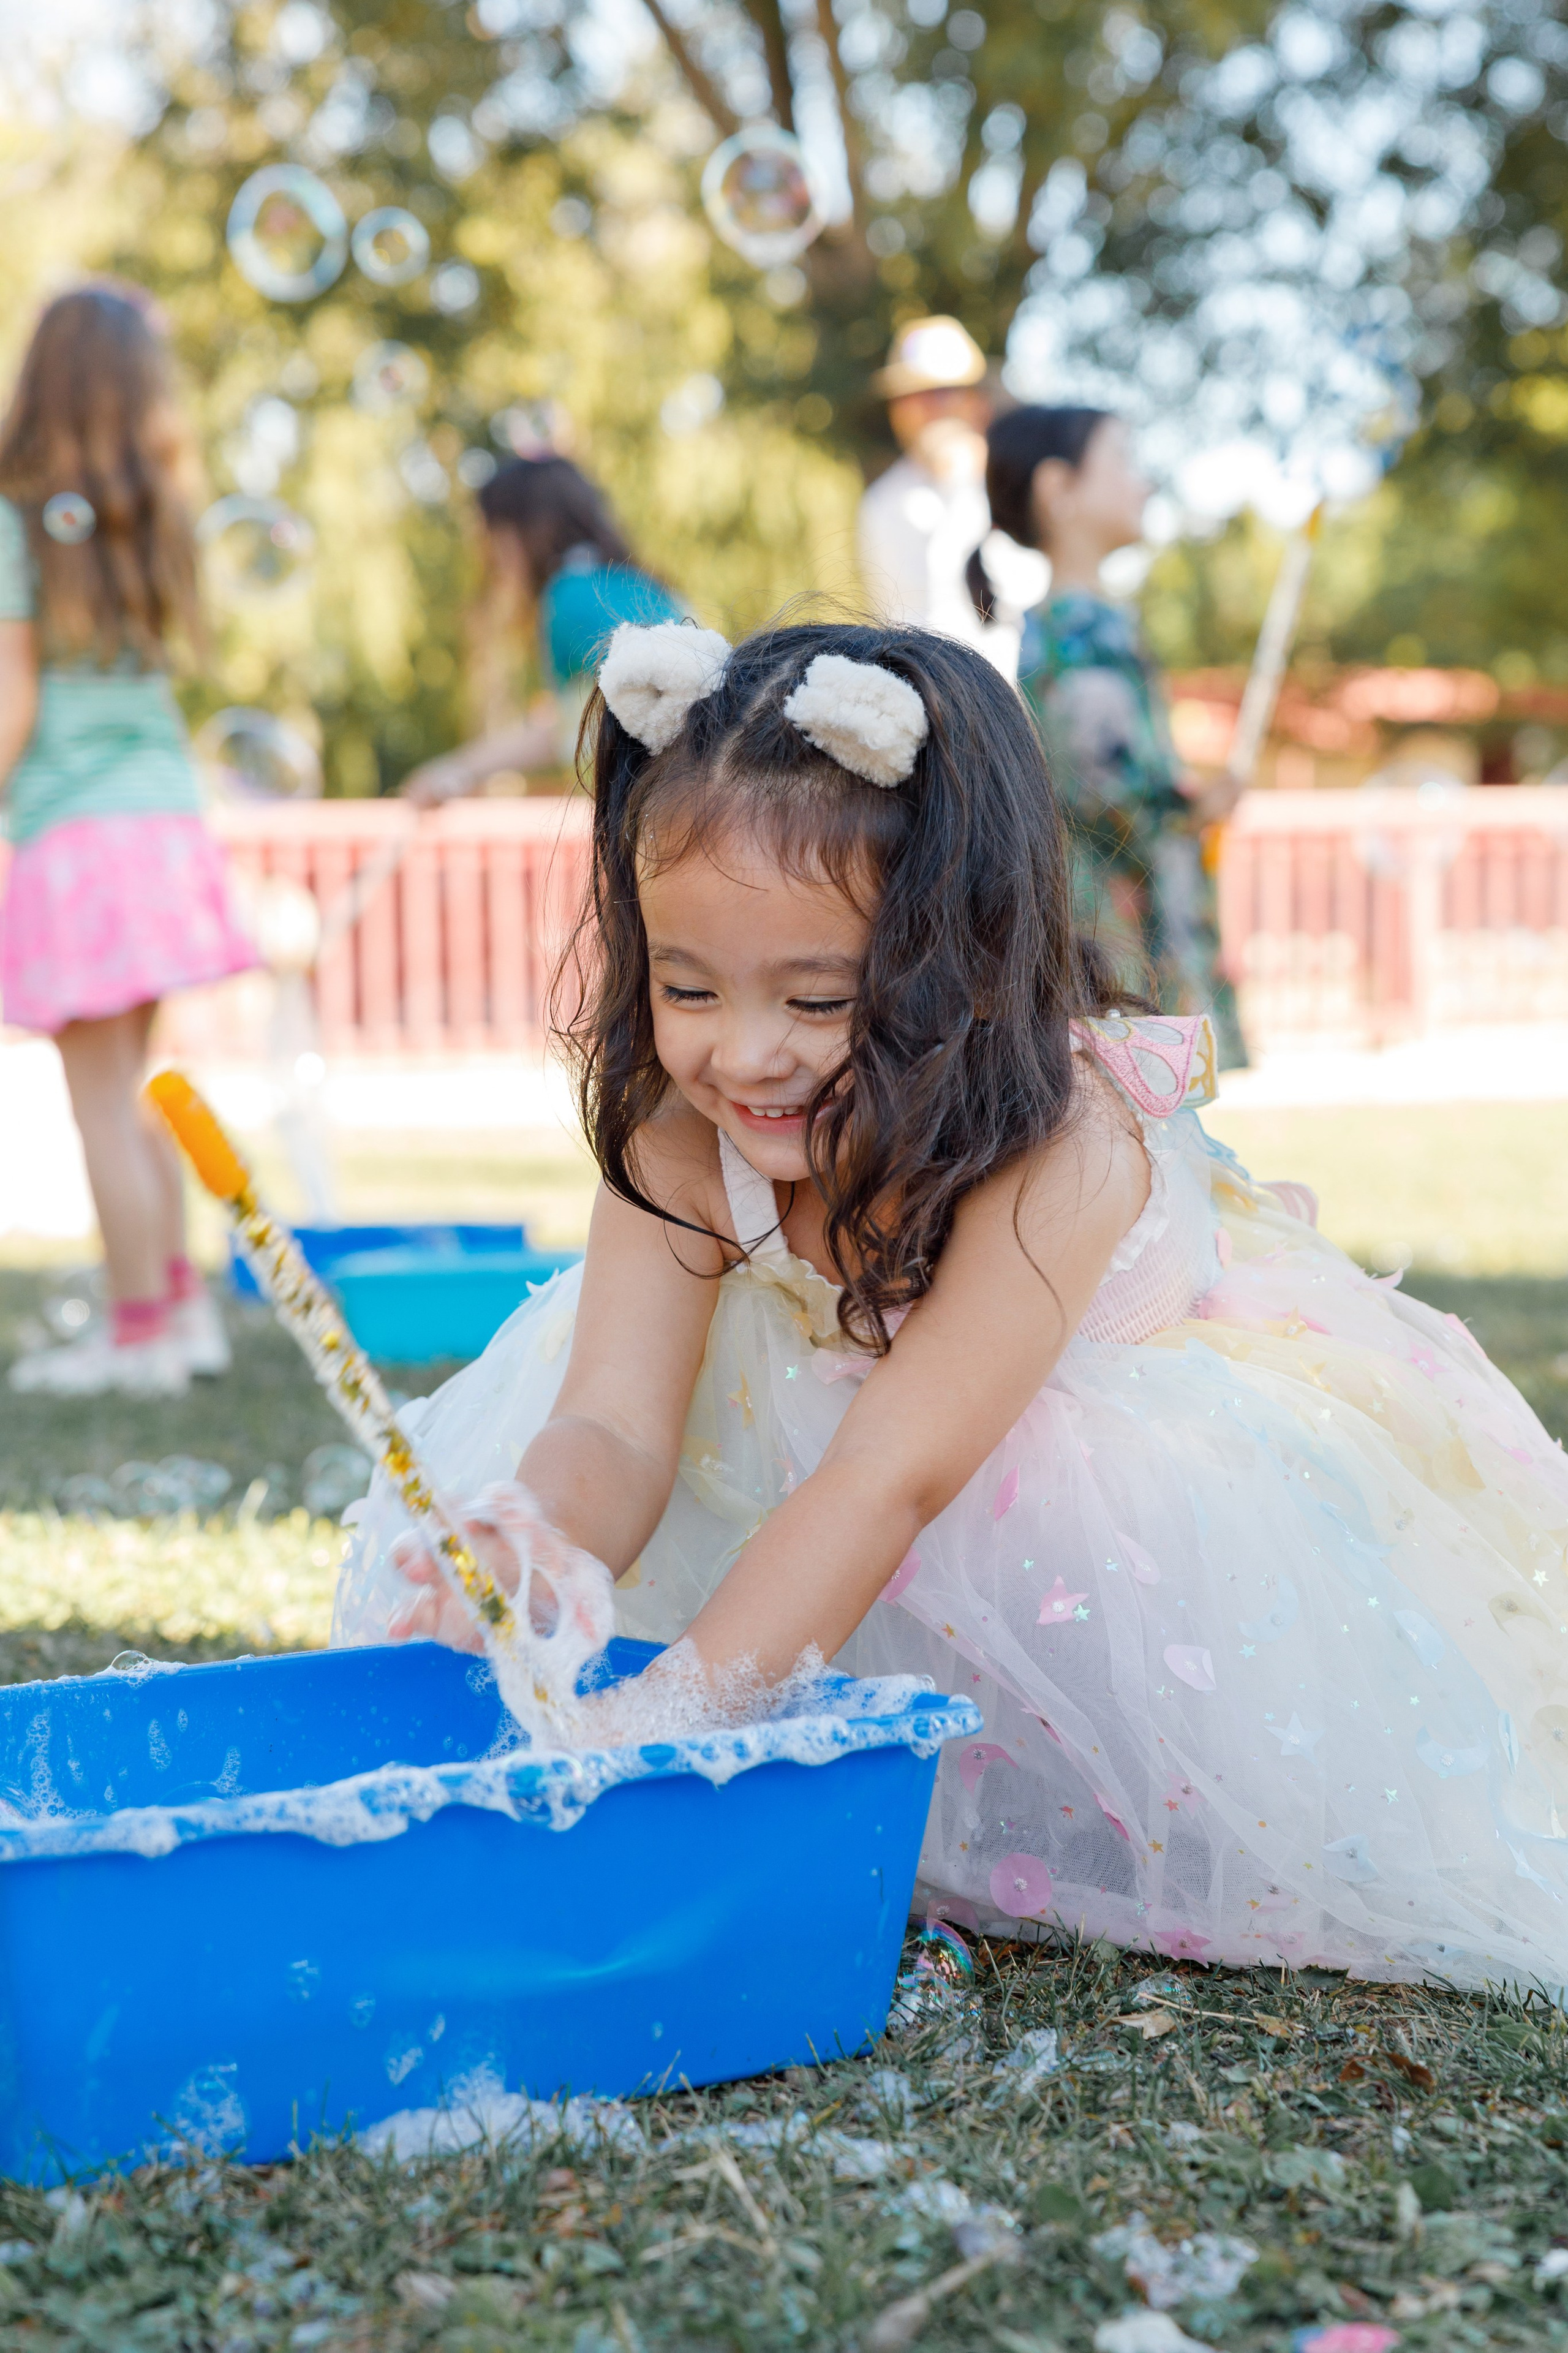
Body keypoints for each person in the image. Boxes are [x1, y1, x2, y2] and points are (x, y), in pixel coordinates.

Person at [337, 615, 1568, 1992]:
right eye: (687, 986)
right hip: (834, 1458)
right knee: (736, 1445)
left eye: (817, 998)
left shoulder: (1064, 1145)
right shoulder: (673, 1126)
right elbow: (617, 1426)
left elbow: (890, 1480)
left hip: (1076, 1499)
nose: (743, 1053)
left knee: (1138, 1721)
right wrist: (535, 1531)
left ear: (960, 962)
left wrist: (670, 1721)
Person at [0, 287, 251, 1399]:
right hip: (160, 825)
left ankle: (140, 1332)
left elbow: (10, 701)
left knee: (99, 1096)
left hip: (75, 836)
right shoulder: (146, 523)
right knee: (139, 1084)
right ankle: (182, 1315)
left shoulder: (16, 521)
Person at [984, 404, 1247, 1068]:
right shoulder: (1080, 629)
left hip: (1121, 937)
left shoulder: (1078, 625)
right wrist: (1192, 803)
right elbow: (1101, 788)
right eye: (1122, 461)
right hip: (1120, 947)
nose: (1145, 483)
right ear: (1057, 488)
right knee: (1151, 1135)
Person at [402, 454, 683, 804]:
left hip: (661, 811)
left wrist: (454, 772)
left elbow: (568, 731)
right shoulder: (644, 585)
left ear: (517, 534)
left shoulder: (569, 597)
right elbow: (573, 719)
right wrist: (456, 771)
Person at [857, 317, 1044, 681]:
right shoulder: (883, 503)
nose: (928, 408)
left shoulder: (1017, 482)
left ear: (977, 401)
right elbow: (893, 620)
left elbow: (1030, 597)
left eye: (943, 393)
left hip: (1019, 698)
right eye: (912, 397)